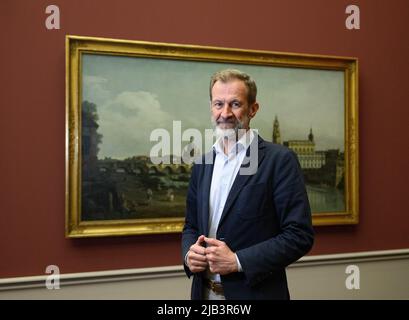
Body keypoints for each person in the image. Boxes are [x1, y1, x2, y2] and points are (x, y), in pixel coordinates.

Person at [181, 69, 314, 300]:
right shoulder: (202, 163)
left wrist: (237, 261)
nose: (225, 113)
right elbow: (191, 226)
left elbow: (298, 235)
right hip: (203, 294)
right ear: (211, 108)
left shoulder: (279, 160)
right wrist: (188, 254)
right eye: (218, 104)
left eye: (235, 104)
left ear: (253, 109)